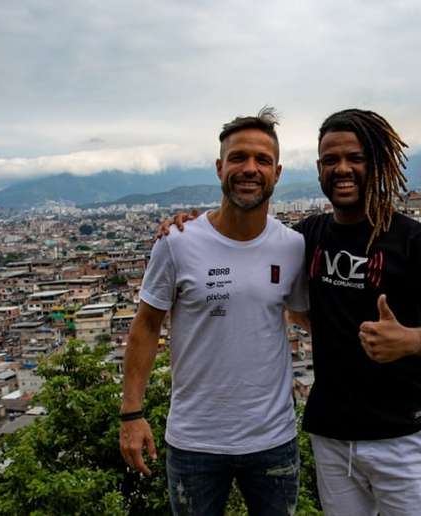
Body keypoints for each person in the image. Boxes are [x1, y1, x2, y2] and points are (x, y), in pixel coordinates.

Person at [160, 108, 421, 515]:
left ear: (376, 162)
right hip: (332, 435)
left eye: (355, 158)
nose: (343, 169)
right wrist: (195, 226)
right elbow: (248, 243)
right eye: (331, 160)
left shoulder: (414, 240)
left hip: (401, 433)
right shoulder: (307, 238)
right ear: (318, 168)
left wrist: (410, 340)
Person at [120, 107, 308, 516]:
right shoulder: (178, 241)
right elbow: (146, 327)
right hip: (195, 441)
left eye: (262, 160)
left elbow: (307, 318)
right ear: (219, 167)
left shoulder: (293, 246)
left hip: (272, 437)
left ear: (278, 172)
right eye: (238, 157)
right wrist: (131, 413)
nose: (250, 168)